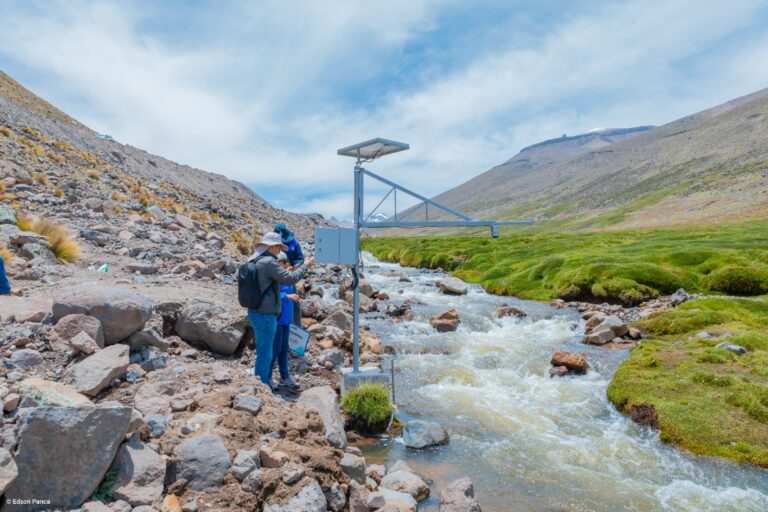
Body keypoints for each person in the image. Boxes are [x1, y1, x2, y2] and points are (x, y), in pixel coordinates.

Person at [246, 232, 314, 388]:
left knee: (266, 352)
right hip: (265, 315)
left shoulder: (256, 260)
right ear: (273, 247)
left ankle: (264, 383)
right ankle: (262, 386)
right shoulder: (269, 262)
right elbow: (291, 279)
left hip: (257, 311)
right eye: (279, 247)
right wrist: (305, 266)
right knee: (266, 353)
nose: (279, 251)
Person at [270, 252, 301, 390]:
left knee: (283, 350)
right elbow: (273, 294)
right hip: (277, 320)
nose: (278, 266)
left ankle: (284, 378)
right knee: (275, 350)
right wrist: (287, 296)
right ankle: (268, 377)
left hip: (286, 320)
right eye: (277, 264)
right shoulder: (275, 278)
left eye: (281, 263)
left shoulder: (289, 279)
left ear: (286, 264)